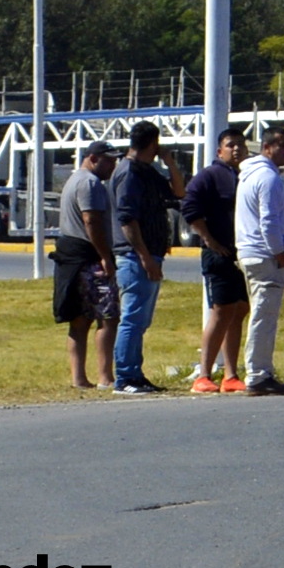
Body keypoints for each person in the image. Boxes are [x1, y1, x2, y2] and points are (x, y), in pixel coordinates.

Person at [108, 121, 178, 395]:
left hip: (150, 255)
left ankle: (135, 373)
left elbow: (178, 192)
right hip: (135, 257)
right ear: (153, 144)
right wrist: (145, 256)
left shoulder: (146, 171)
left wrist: (170, 163)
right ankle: (124, 377)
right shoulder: (128, 173)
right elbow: (127, 219)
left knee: (141, 320)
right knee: (132, 318)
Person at [181, 126, 249, 393]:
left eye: (240, 145)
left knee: (239, 309)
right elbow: (189, 207)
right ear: (219, 150)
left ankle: (230, 375)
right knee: (221, 311)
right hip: (217, 255)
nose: (236, 149)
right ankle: (204, 374)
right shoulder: (209, 176)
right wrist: (209, 240)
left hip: (240, 254)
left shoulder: (246, 175)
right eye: (231, 145)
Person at [51, 141, 119, 388]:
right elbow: (91, 221)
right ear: (93, 158)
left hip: (73, 257)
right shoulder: (90, 183)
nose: (113, 165)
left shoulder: (74, 180)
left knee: (79, 320)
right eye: (108, 160)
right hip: (88, 256)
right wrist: (105, 256)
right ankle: (105, 377)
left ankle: (79, 378)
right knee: (107, 316)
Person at [235, 122, 284, 395]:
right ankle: (258, 375)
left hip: (251, 252)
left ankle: (261, 370)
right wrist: (280, 253)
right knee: (263, 316)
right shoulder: (268, 178)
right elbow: (269, 222)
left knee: (262, 314)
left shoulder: (249, 175)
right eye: (282, 145)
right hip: (264, 254)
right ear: (267, 148)